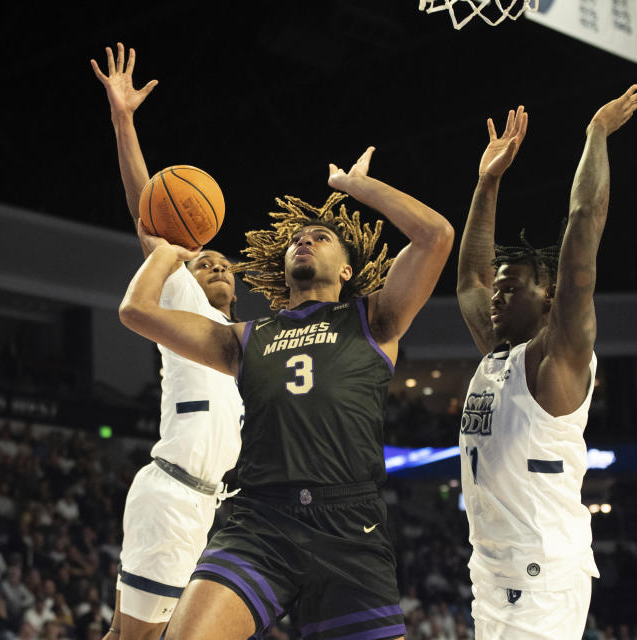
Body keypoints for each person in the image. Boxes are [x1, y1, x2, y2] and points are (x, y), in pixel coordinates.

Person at [119, 142, 454, 636]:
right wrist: (168, 250)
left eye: (320, 237)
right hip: (260, 523)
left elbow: (436, 235)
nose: (305, 241)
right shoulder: (244, 338)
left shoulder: (374, 320)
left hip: (349, 528)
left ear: (347, 270)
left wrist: (357, 188)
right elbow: (136, 312)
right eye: (299, 239)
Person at [455, 86, 637, 639]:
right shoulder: (497, 355)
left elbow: (585, 221)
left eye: (511, 288)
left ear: (548, 296)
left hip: (539, 574)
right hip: (493, 569)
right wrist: (487, 183)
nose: (496, 295)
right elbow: (469, 276)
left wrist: (596, 134)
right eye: (499, 286)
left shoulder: (554, 360)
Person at [91, 43, 245, 640]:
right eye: (202, 261)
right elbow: (147, 214)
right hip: (175, 495)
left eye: (224, 265)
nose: (217, 268)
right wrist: (124, 121)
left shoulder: (245, 345)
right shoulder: (187, 310)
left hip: (215, 511)